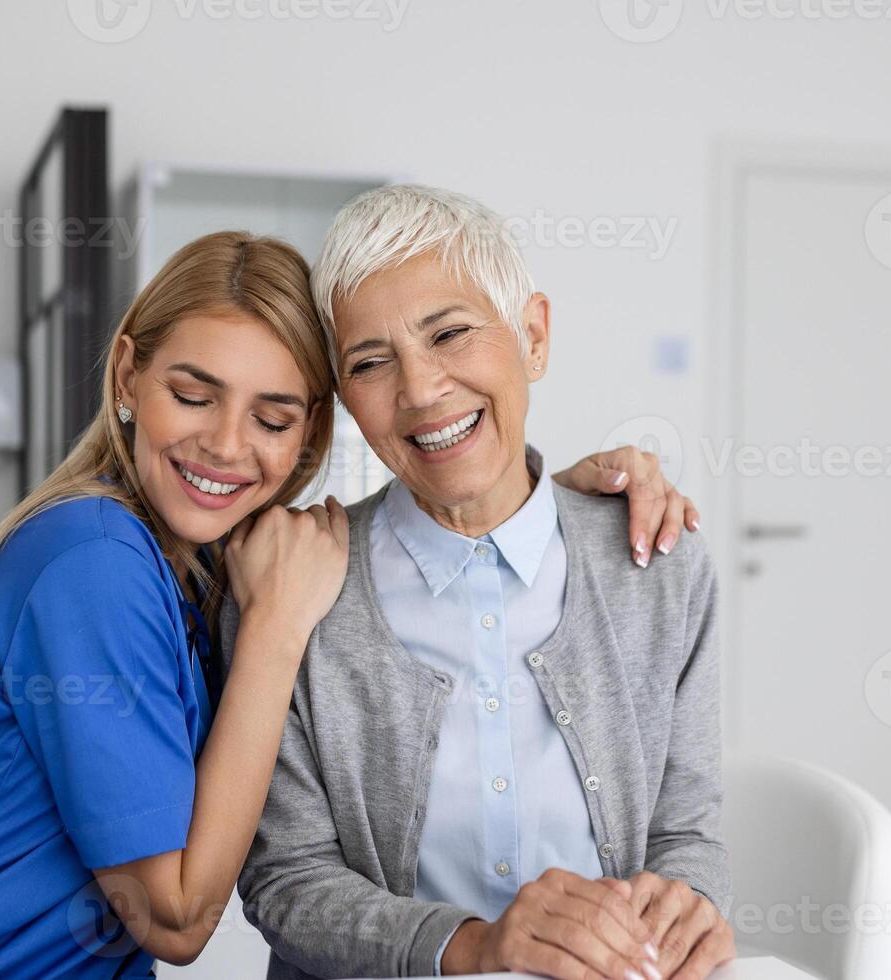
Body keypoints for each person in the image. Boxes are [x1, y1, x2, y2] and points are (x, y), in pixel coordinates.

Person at [0, 229, 698, 978]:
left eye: (272, 419)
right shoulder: (95, 563)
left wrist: (547, 510)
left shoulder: (197, 570)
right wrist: (276, 626)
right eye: (193, 395)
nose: (226, 446)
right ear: (127, 376)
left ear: (311, 433)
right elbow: (179, 918)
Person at [230, 186, 736, 980]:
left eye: (451, 334)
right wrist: (475, 947)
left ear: (532, 336)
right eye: (370, 362)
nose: (422, 389)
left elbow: (686, 834)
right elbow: (287, 882)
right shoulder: (296, 591)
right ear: (345, 401)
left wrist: (686, 904)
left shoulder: (659, 566)